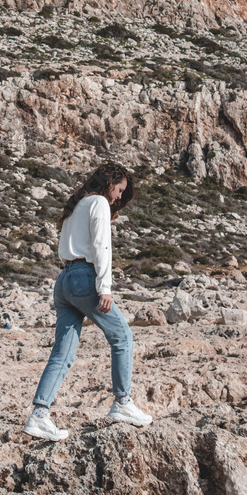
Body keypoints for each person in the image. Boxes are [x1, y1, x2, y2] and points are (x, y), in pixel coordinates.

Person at [24, 161, 152, 441]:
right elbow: (101, 247)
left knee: (63, 353)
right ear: (109, 183)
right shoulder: (98, 203)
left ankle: (39, 415)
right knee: (122, 337)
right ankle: (122, 403)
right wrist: (104, 288)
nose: (119, 196)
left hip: (64, 281)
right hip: (85, 279)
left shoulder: (77, 204)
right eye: (119, 189)